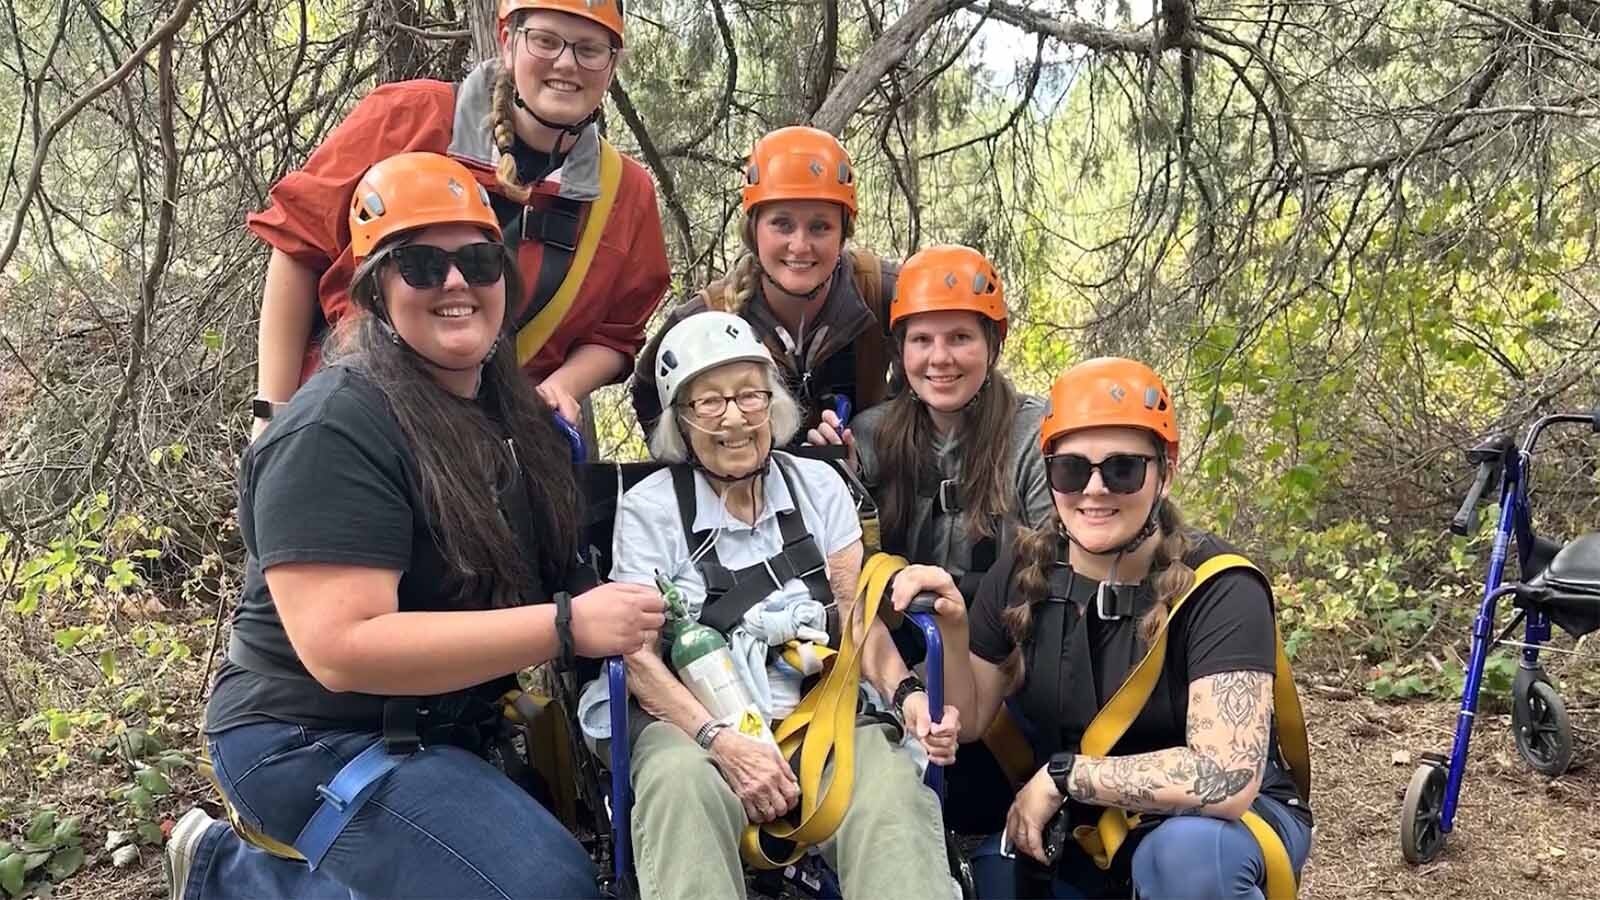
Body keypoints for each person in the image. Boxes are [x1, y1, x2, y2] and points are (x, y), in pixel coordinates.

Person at [163, 152, 665, 900]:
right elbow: (343, 647)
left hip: (446, 720)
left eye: (479, 260)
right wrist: (564, 627)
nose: (457, 283)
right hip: (312, 736)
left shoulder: (513, 417)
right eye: (423, 266)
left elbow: (576, 579)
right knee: (545, 889)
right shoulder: (336, 428)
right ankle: (230, 878)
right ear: (376, 289)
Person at [891, 357, 1314, 899]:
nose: (1093, 491)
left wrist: (1065, 776)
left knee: (1188, 859)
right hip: (1085, 825)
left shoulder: (1220, 587)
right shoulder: (1023, 572)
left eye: (1122, 469)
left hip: (1218, 827)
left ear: (1166, 469)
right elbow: (971, 719)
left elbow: (1225, 778)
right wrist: (953, 624)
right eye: (1070, 469)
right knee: (994, 878)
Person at [583, 311, 958, 899]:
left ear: (773, 405)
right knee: (676, 784)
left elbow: (854, 616)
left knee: (889, 791)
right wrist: (719, 742)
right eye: (708, 403)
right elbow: (637, 653)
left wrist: (908, 695)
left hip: (821, 713)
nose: (734, 418)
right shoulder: (650, 509)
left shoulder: (819, 486)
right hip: (692, 724)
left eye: (749, 397)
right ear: (680, 421)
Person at [247, 0, 669, 440]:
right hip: (348, 423)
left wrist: (561, 387)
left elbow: (616, 334)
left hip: (485, 447)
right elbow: (298, 247)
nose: (566, 63)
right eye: (545, 41)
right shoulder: (412, 118)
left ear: (613, 62)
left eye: (590, 49)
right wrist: (272, 415)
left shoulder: (624, 195)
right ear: (508, 42)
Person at [810, 243, 1052, 835]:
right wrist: (831, 477)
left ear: (992, 344)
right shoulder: (869, 437)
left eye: (960, 339)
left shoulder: (1035, 436)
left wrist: (965, 603)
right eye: (922, 340)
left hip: (1010, 663)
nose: (939, 359)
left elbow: (1058, 559)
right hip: (904, 662)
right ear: (900, 350)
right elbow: (843, 569)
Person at [629, 126, 899, 441]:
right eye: (782, 224)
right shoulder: (708, 317)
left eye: (820, 226)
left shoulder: (879, 290)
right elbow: (649, 396)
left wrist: (876, 449)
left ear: (843, 233)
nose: (800, 245)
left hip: (861, 483)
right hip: (744, 486)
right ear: (754, 230)